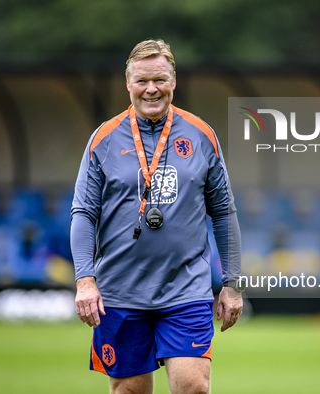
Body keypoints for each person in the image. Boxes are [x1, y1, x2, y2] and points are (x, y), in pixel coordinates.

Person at [71, 39, 244, 394]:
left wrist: (232, 283)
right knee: (129, 392)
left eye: (160, 80)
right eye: (142, 81)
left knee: (193, 386)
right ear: (128, 83)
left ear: (174, 80)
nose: (151, 89)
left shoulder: (201, 135)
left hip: (186, 290)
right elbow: (84, 213)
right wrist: (85, 280)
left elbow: (224, 213)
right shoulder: (103, 139)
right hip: (119, 292)